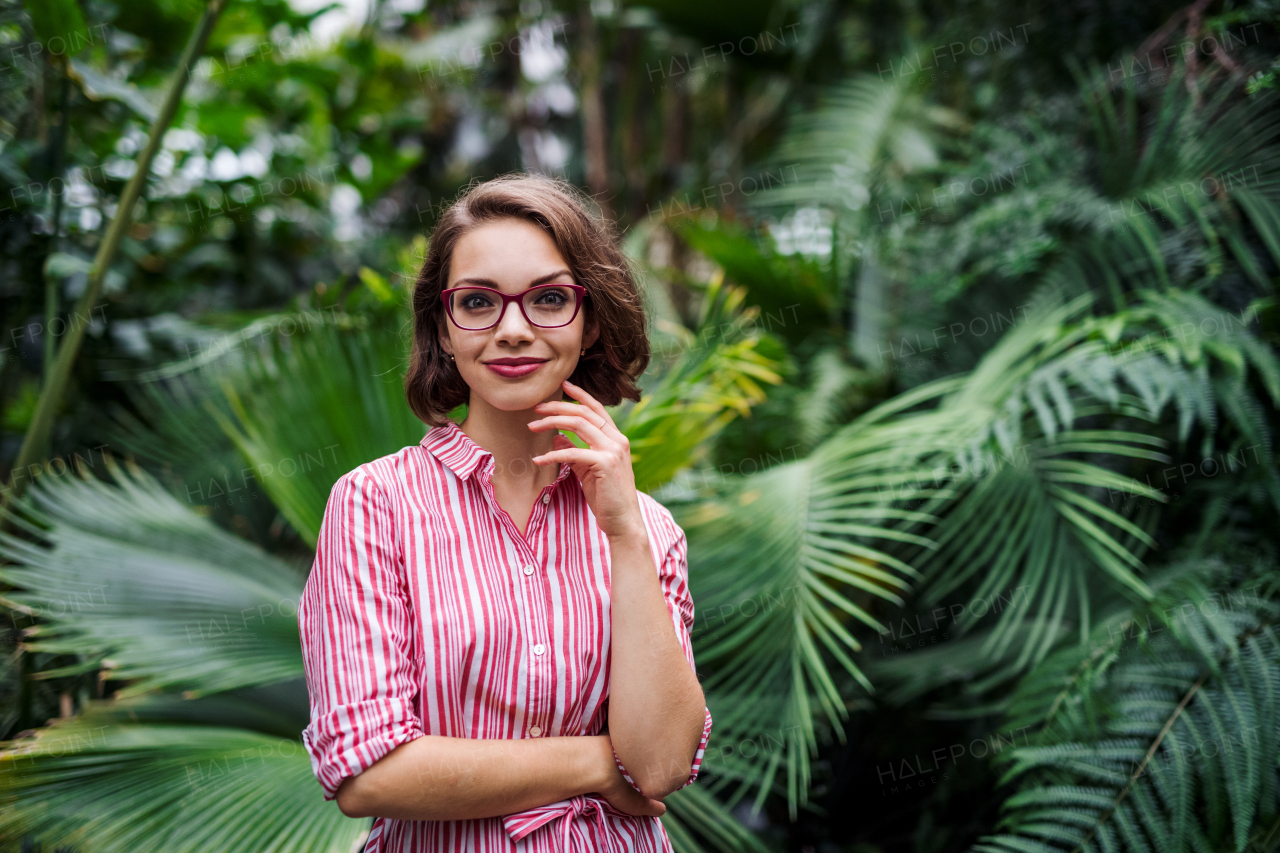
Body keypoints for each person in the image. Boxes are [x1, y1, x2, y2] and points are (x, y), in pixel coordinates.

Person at [298, 174, 713, 853]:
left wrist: (624, 533)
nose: (514, 330)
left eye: (550, 298)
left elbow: (665, 763)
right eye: (478, 302)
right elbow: (367, 772)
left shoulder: (648, 529)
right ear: (442, 324)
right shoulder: (375, 506)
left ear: (591, 319)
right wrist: (596, 763)